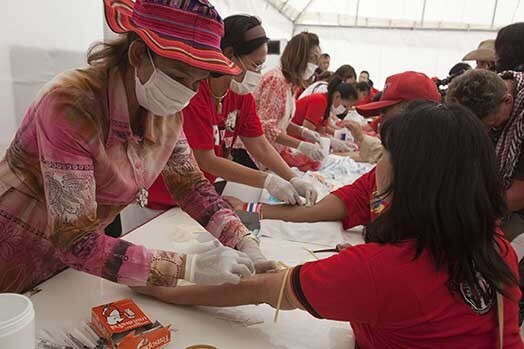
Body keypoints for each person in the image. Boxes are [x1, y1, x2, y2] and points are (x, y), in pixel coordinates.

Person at [134, 101, 523, 349]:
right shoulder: (495, 248)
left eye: (384, 152)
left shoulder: (382, 270)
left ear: (414, 173)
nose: (376, 162)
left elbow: (255, 289)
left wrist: (148, 280)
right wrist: (256, 208)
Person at [0, 0, 275, 293]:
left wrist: (244, 241)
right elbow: (75, 240)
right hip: (16, 248)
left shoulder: (164, 112)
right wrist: (187, 268)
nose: (186, 92)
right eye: (179, 77)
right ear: (138, 54)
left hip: (71, 263)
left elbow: (192, 187)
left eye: (197, 83)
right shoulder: (71, 104)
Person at [226, 72, 442, 226]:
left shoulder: (441, 182)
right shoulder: (383, 173)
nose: (382, 122)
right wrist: (252, 209)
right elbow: (331, 206)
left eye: (387, 113)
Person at [146, 16, 318, 210]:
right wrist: (268, 181)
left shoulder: (240, 96)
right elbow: (206, 159)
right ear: (228, 55)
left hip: (196, 195)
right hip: (162, 198)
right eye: (254, 65)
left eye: (261, 66)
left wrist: (292, 178)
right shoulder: (196, 90)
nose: (257, 74)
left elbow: (259, 144)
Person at [447, 69, 524, 241]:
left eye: (489, 125)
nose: (484, 133)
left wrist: (467, 212)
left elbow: (519, 195)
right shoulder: (496, 91)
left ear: (508, 101)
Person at [253, 32, 325, 167]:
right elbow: (266, 127)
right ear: (299, 58)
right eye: (312, 59)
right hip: (253, 154)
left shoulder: (290, 84)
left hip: (269, 152)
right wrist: (300, 144)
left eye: (317, 60)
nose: (315, 66)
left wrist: (301, 131)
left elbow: (278, 120)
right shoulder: (276, 80)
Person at [290, 77, 358, 152]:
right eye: (345, 106)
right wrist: (331, 142)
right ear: (337, 96)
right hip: (292, 140)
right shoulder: (320, 101)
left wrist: (336, 140)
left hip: (297, 140)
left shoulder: (326, 106)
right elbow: (308, 131)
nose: (345, 110)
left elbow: (321, 131)